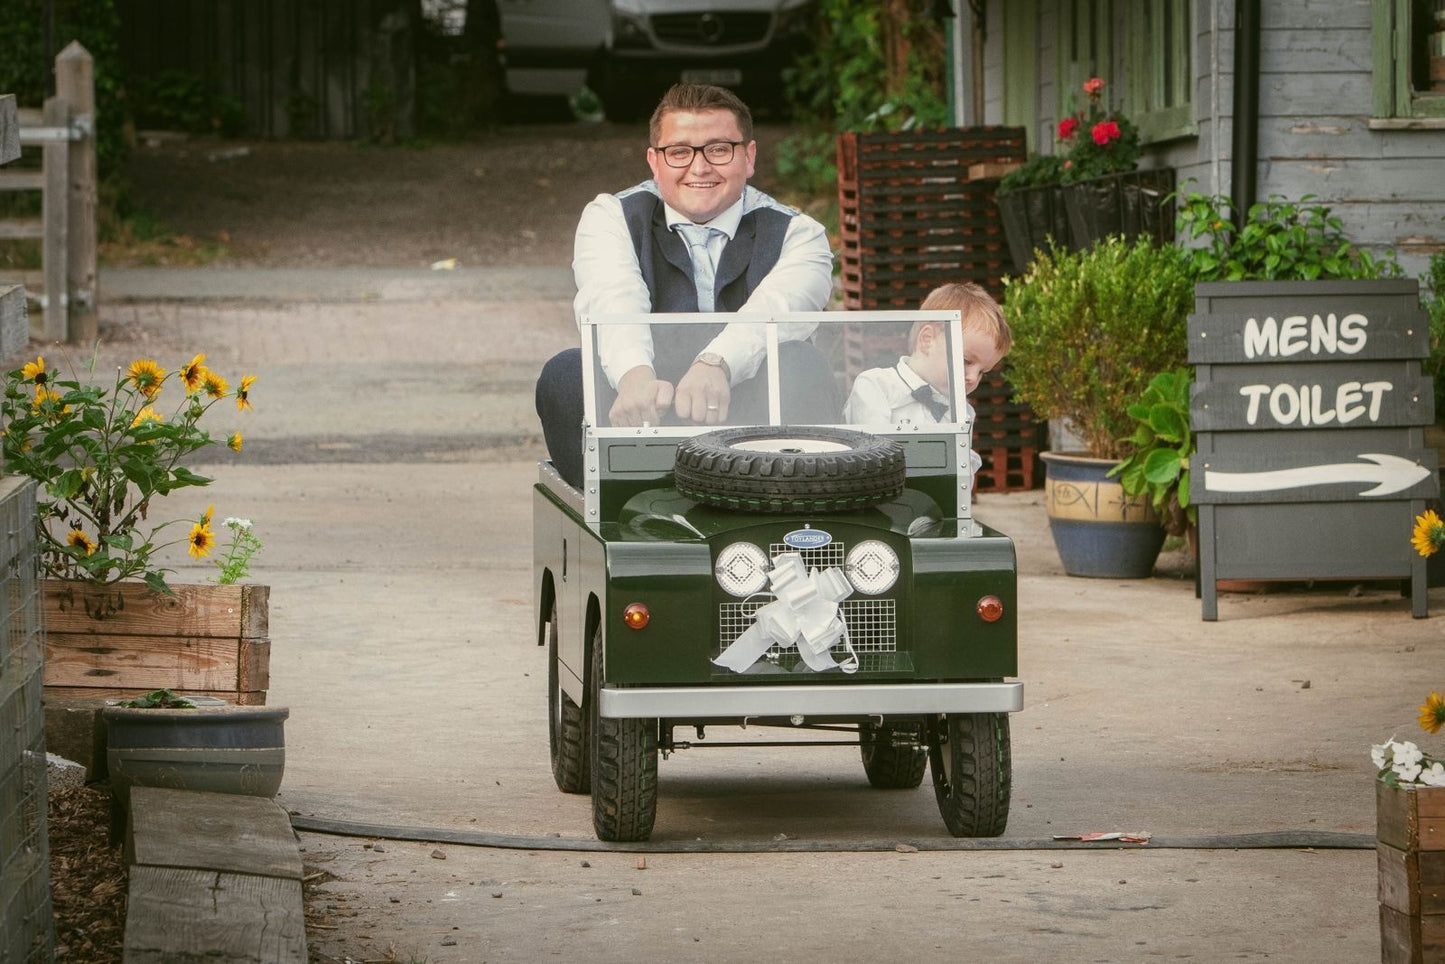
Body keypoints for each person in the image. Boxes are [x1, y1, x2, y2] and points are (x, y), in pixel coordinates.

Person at [535, 84, 838, 487]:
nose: (699, 168)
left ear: (749, 157)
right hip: (644, 402)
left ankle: (785, 504)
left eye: (719, 149)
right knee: (566, 374)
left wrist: (715, 363)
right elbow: (614, 298)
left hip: (751, 416)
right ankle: (623, 506)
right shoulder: (611, 215)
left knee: (802, 363)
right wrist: (633, 377)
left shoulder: (799, 233)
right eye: (679, 152)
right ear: (654, 162)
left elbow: (777, 309)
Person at [841, 282, 1012, 475]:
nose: (973, 378)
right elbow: (873, 463)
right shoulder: (876, 386)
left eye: (983, 372)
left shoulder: (962, 411)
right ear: (927, 340)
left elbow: (959, 478)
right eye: (966, 360)